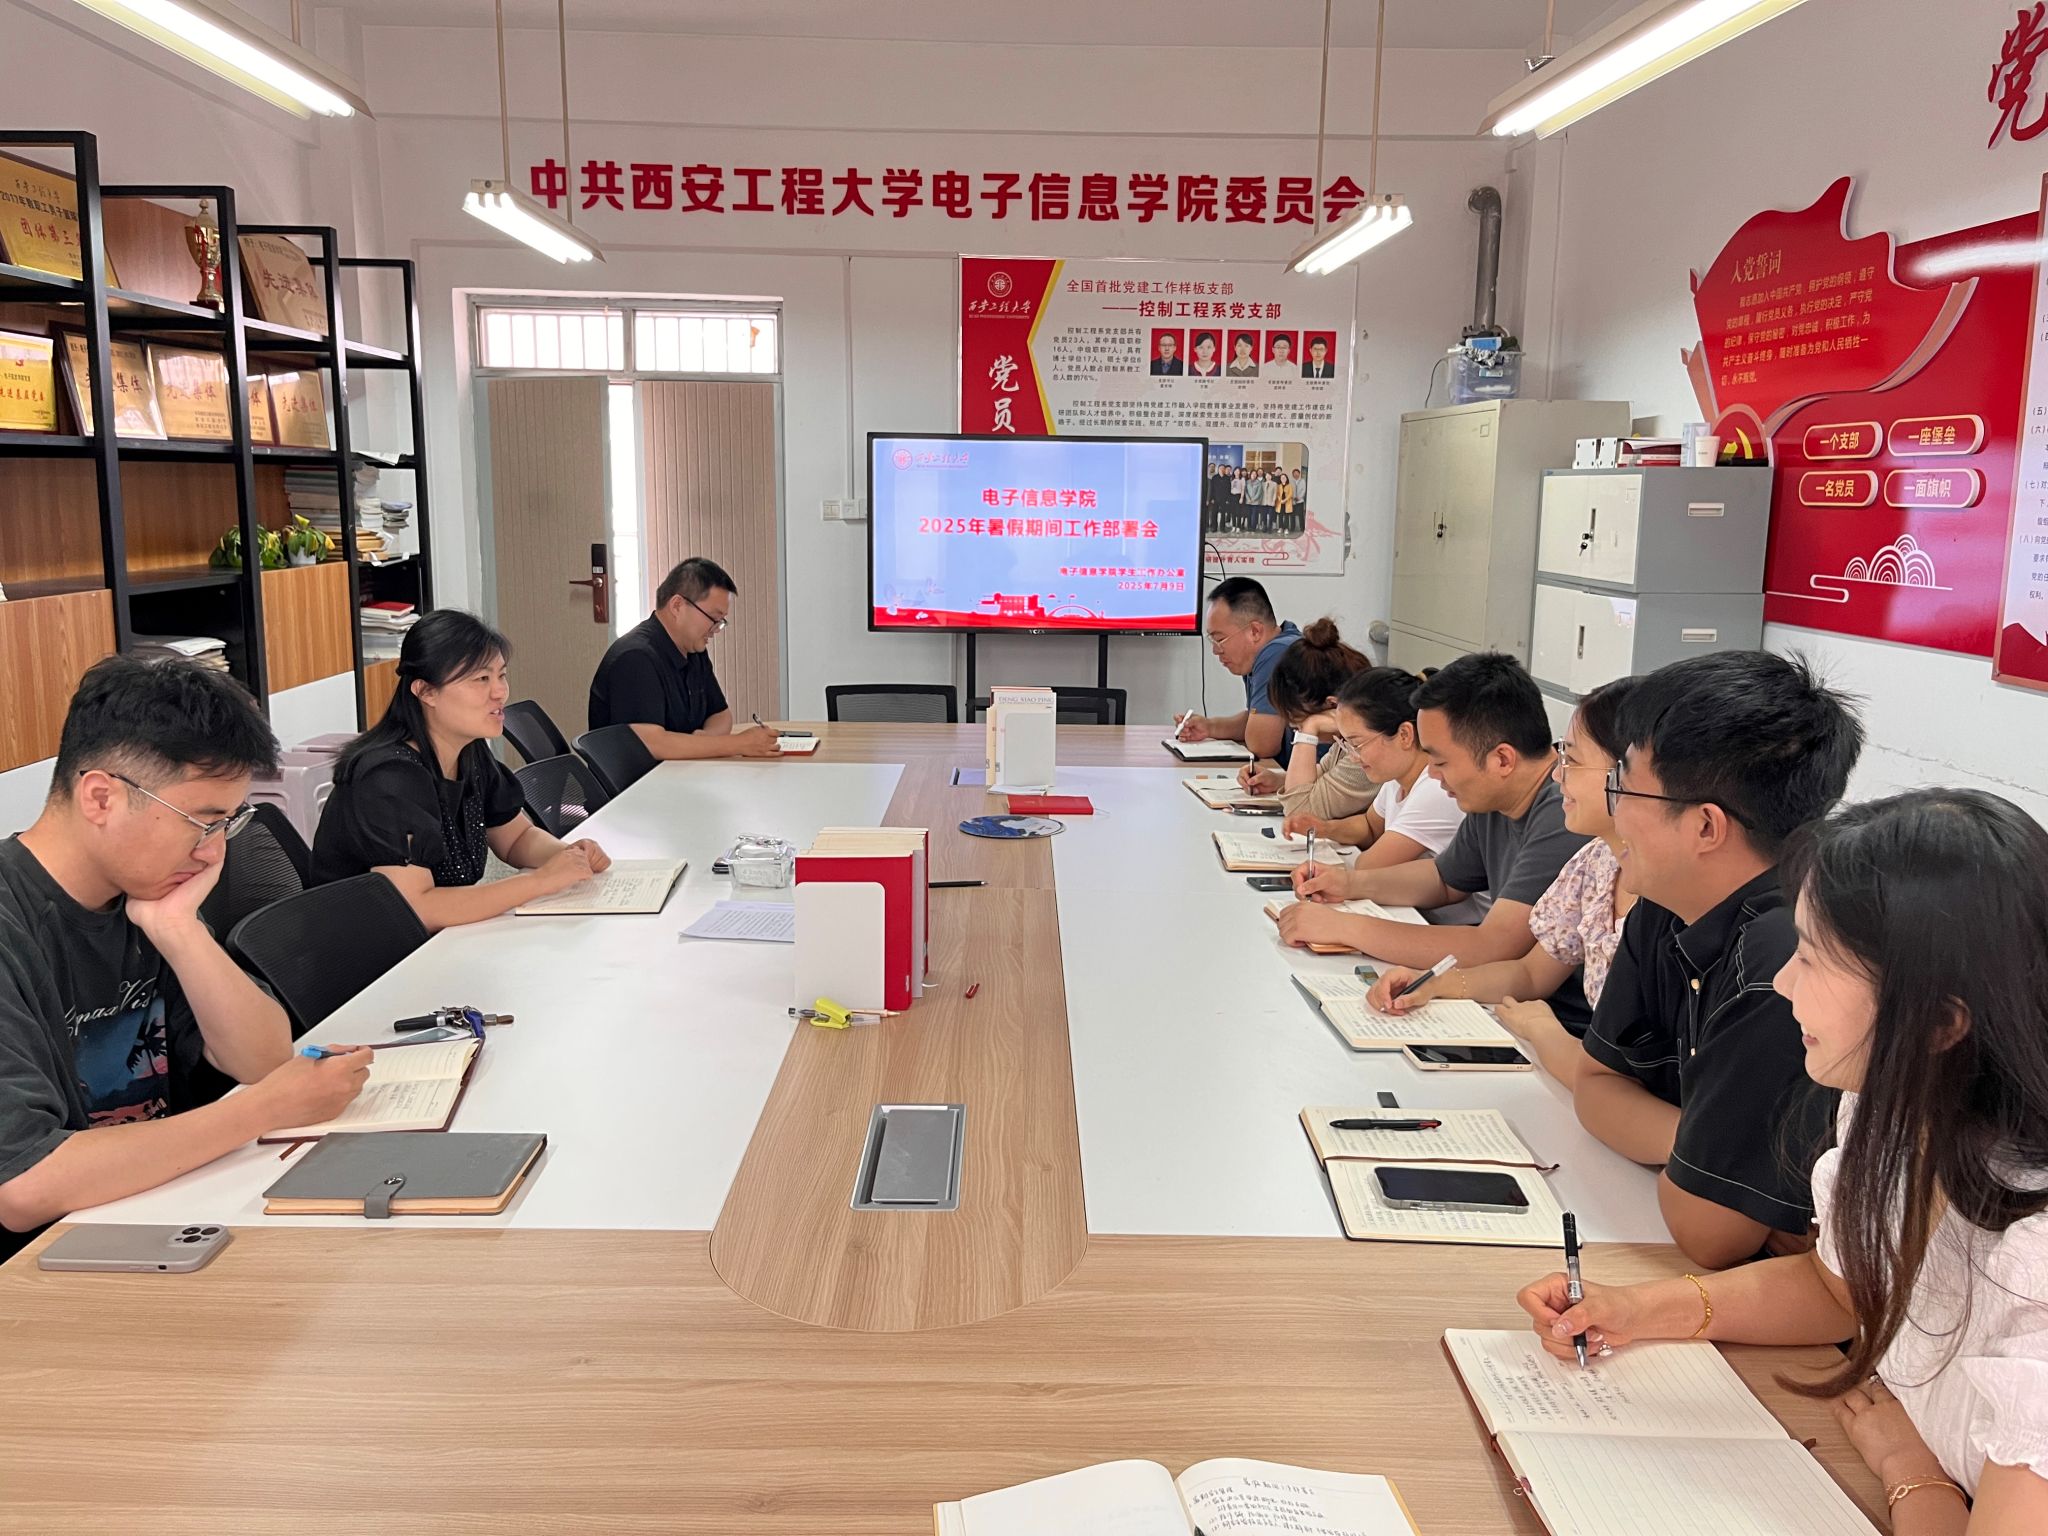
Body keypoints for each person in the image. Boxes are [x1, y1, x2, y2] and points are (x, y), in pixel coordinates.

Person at [1517, 789, 2048, 1527]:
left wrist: (1912, 1474)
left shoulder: (2033, 1263)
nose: (1784, 982)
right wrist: (1639, 1310)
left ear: (1938, 1023)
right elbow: (1840, 1290)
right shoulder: (1897, 1107)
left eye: (1814, 960)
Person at [0, 659, 372, 1262]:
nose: (213, 851)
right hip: (42, 1266)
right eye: (202, 822)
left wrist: (180, 931)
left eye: (228, 823)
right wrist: (264, 1110)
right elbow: (23, 1185)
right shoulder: (13, 923)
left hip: (157, 1216)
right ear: (101, 797)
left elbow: (260, 1059)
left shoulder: (143, 896)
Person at [1572, 649, 1862, 1268]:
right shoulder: (1669, 900)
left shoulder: (1789, 960)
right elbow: (1594, 1086)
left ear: (1706, 827)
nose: (1614, 807)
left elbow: (1709, 1234)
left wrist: (1703, 1166)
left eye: (1623, 784)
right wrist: (1704, 1147)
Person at [1275, 653, 1590, 1014]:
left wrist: (1345, 928)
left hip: (1553, 1014)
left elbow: (1494, 946)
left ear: (1502, 760)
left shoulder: (1563, 814)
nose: (1434, 776)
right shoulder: (1494, 798)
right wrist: (1348, 883)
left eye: (1440, 762)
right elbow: (1443, 880)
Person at [1365, 676, 1640, 1087]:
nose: (1558, 775)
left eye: (1573, 760)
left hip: (1587, 1065)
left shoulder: (1666, 892)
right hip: (1574, 1063)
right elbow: (1530, 973)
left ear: (1633, 778)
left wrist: (1545, 1031)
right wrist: (1438, 984)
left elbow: (1621, 1084)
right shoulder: (1596, 861)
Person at [314, 610, 612, 931]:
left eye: (501, 675)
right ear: (425, 691)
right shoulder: (389, 777)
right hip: (371, 952)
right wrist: (539, 882)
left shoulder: (469, 751)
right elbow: (417, 907)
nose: (500, 692)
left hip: (441, 940)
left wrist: (568, 856)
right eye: (481, 679)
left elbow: (515, 838)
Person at [588, 557, 780, 760]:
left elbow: (721, 715)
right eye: (713, 618)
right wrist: (739, 744)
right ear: (677, 606)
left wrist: (705, 741)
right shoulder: (636, 658)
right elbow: (652, 743)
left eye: (721, 620)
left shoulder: (693, 650)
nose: (716, 629)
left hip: (682, 771)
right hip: (644, 779)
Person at [1282, 665, 1463, 876]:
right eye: (1346, 745)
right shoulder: (1397, 778)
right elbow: (1369, 826)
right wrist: (1324, 828)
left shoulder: (1435, 788)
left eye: (1356, 744)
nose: (1353, 756)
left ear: (1404, 735)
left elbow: (1368, 866)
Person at [1256, 619, 1376, 816]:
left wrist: (1309, 729)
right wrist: (1278, 780)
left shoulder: (1368, 750)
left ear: (1333, 705)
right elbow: (1325, 773)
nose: (1294, 727)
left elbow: (1298, 810)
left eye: (1299, 724)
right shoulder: (1348, 739)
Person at [1176, 577, 1300, 762]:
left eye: (1220, 639)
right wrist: (1209, 727)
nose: (1215, 650)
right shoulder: (1274, 646)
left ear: (1255, 631)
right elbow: (1258, 719)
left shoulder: (1276, 653)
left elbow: (1262, 744)